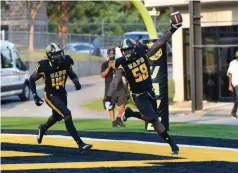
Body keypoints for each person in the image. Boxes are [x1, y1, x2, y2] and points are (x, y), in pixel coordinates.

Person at [104, 12, 183, 154]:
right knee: (154, 119)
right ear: (122, 52)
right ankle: (173, 145)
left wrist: (172, 29)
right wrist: (108, 97)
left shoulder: (142, 52)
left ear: (134, 49)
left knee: (150, 118)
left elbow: (159, 44)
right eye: (125, 51)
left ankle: (130, 114)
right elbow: (116, 81)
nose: (127, 54)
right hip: (138, 95)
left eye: (129, 50)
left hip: (149, 90)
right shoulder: (121, 64)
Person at [29, 43, 92, 153]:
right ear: (49, 56)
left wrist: (76, 82)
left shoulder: (66, 61)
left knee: (57, 117)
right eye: (56, 54)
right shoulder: (44, 66)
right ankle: (80, 144)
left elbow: (71, 73)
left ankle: (43, 128)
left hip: (62, 94)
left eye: (59, 53)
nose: (59, 56)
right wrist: (35, 95)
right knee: (67, 114)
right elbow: (31, 79)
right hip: (50, 95)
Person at [101, 48, 128, 127]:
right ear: (108, 54)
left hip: (119, 86)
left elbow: (123, 73)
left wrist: (115, 68)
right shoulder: (104, 64)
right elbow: (102, 75)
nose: (111, 55)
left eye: (113, 54)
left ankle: (118, 118)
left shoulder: (118, 63)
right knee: (110, 105)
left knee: (123, 102)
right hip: (109, 87)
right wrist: (109, 67)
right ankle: (113, 121)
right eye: (110, 54)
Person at [227, 50, 238, 119]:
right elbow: (230, 74)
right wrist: (230, 85)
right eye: (237, 53)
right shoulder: (232, 63)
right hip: (236, 83)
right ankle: (233, 113)